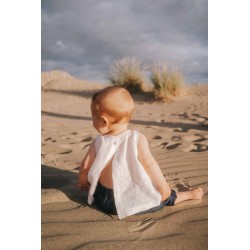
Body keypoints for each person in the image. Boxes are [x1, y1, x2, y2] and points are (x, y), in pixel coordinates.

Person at [78, 86, 203, 219]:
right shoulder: (137, 139)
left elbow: (84, 167)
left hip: (103, 199)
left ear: (104, 121)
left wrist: (84, 183)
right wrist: (163, 188)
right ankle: (189, 195)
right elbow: (149, 164)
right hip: (126, 202)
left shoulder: (98, 142)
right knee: (163, 197)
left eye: (93, 118)